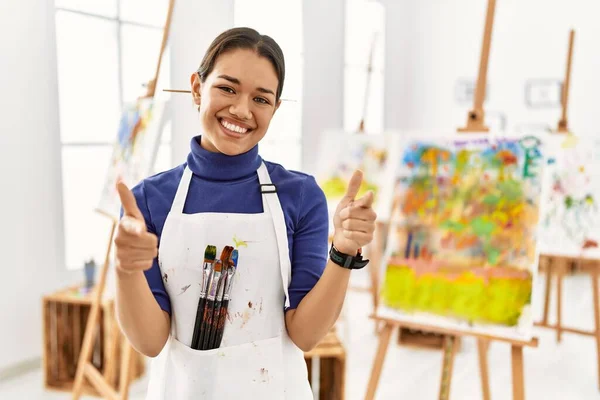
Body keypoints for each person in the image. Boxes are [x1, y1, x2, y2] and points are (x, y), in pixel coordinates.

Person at [114, 27, 377, 399]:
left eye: (261, 99)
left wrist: (344, 251)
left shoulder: (300, 196)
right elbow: (150, 342)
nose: (242, 109)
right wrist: (124, 268)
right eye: (227, 88)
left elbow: (305, 334)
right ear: (196, 88)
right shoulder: (151, 200)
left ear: (275, 108)